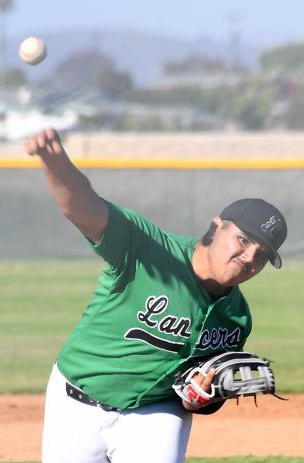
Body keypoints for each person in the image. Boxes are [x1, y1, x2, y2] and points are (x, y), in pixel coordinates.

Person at [25, 128, 288, 463]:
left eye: (262, 255)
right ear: (217, 225)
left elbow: (204, 390)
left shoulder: (236, 318)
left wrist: (200, 399)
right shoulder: (147, 248)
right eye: (243, 240)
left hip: (155, 413)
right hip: (76, 400)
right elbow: (84, 206)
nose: (249, 258)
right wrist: (54, 161)